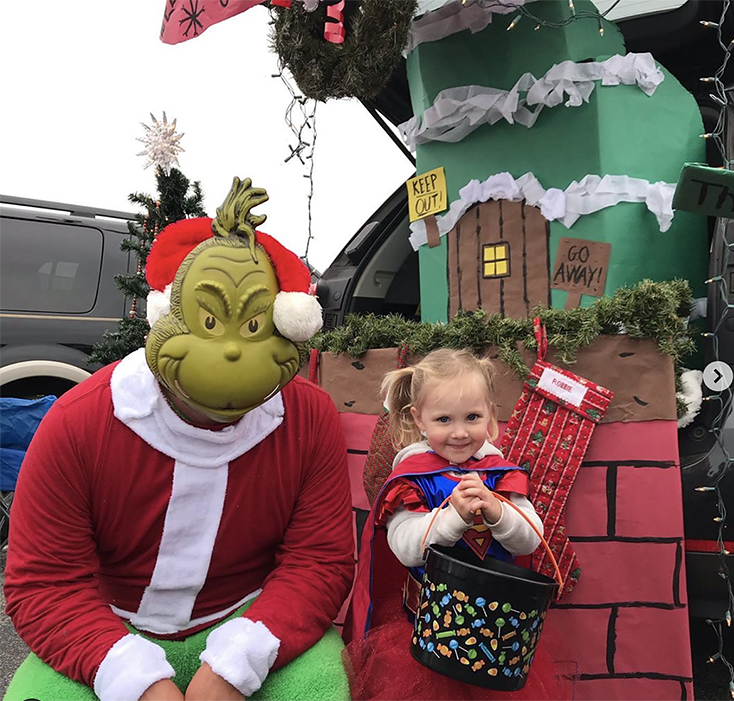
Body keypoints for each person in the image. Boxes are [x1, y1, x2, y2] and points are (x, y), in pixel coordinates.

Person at [3, 178, 355, 701]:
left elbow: (319, 560)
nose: (232, 354)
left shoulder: (309, 417)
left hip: (245, 614)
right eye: (210, 320)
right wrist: (131, 677)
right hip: (113, 626)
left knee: (323, 687)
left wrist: (240, 660)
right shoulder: (80, 421)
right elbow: (45, 583)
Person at [345, 348, 574, 701]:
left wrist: (497, 513)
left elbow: (530, 540)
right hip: (428, 629)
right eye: (443, 420)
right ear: (419, 419)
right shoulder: (413, 478)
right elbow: (405, 546)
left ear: (491, 417)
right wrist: (453, 518)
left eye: (472, 417)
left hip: (496, 630)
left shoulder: (501, 476)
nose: (459, 433)